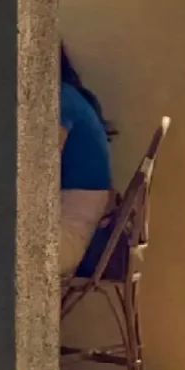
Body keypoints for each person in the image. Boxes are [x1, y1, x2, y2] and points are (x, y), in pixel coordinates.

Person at [59, 45, 115, 279]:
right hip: (85, 236)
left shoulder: (60, 99)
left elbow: (37, 173)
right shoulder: (72, 95)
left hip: (67, 239)